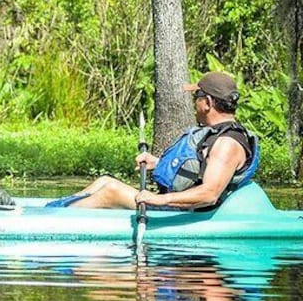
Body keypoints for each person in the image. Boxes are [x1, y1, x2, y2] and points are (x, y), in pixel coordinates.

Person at [48, 72, 259, 210]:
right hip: (176, 203)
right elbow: (200, 168)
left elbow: (209, 194)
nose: (195, 103)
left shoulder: (227, 144)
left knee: (112, 192)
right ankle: (56, 209)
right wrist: (158, 164)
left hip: (186, 211)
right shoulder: (216, 134)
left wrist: (159, 199)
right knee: (105, 181)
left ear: (208, 103)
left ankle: (57, 222)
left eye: (197, 98)